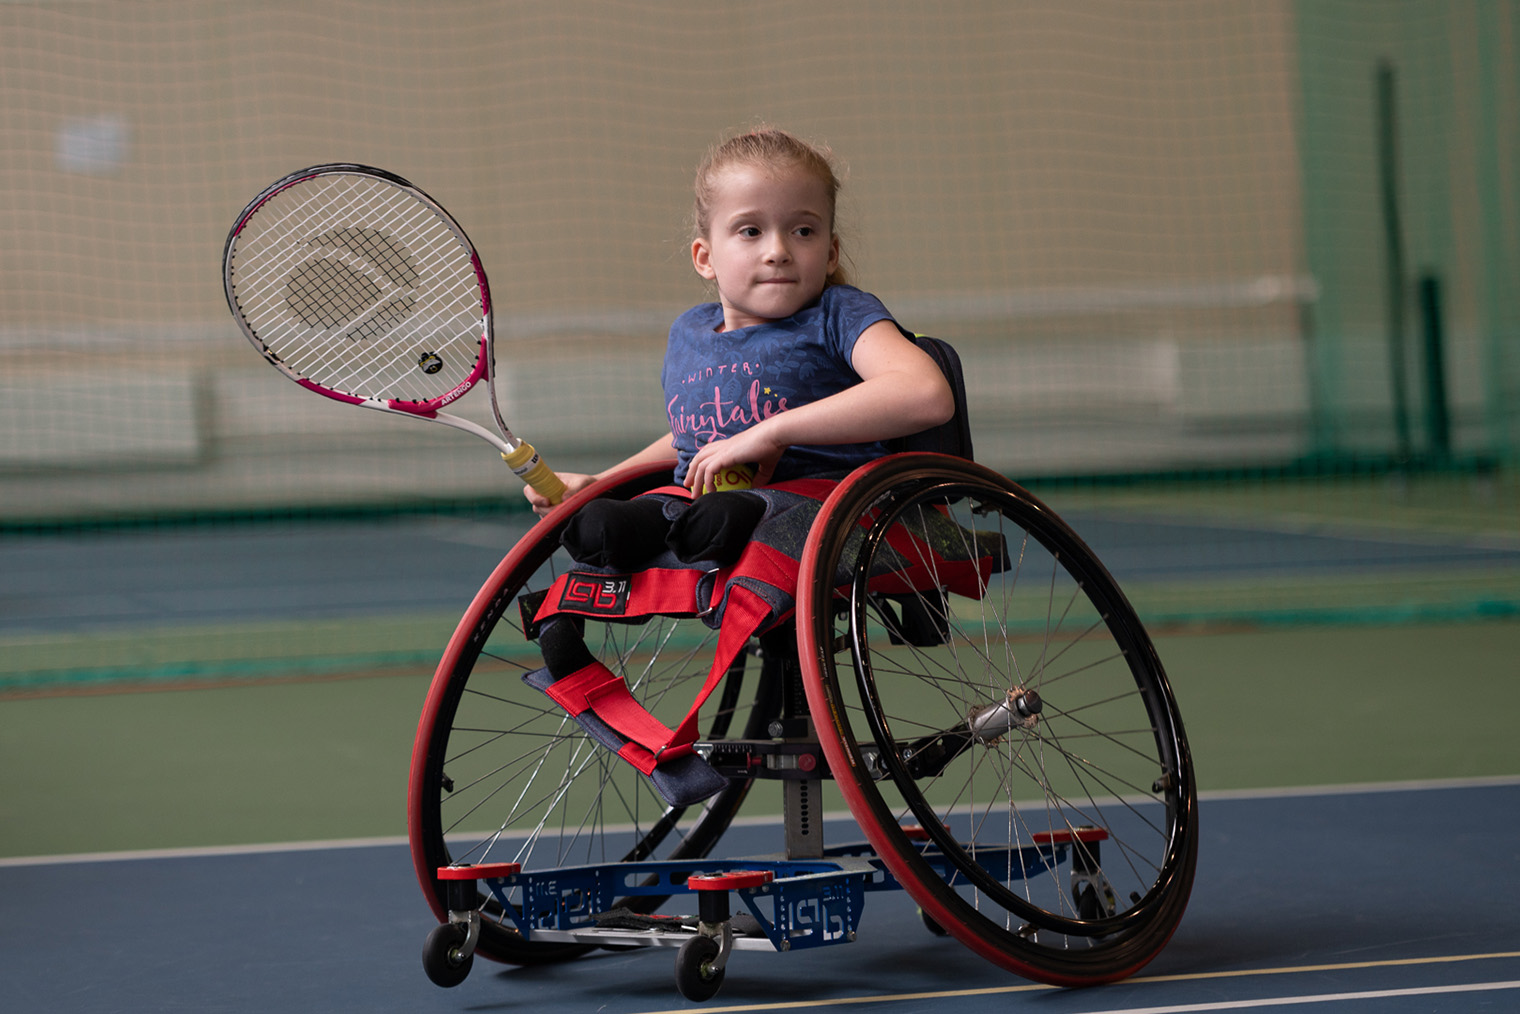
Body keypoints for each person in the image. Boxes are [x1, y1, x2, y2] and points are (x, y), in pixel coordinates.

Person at [525, 127, 955, 570]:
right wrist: (603, 481)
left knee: (725, 518)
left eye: (803, 231)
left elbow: (925, 394)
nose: (778, 250)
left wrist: (770, 432)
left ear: (830, 252)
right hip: (699, 505)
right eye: (750, 231)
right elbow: (695, 435)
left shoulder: (839, 314)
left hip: (821, 506)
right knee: (600, 523)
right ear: (705, 257)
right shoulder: (689, 332)